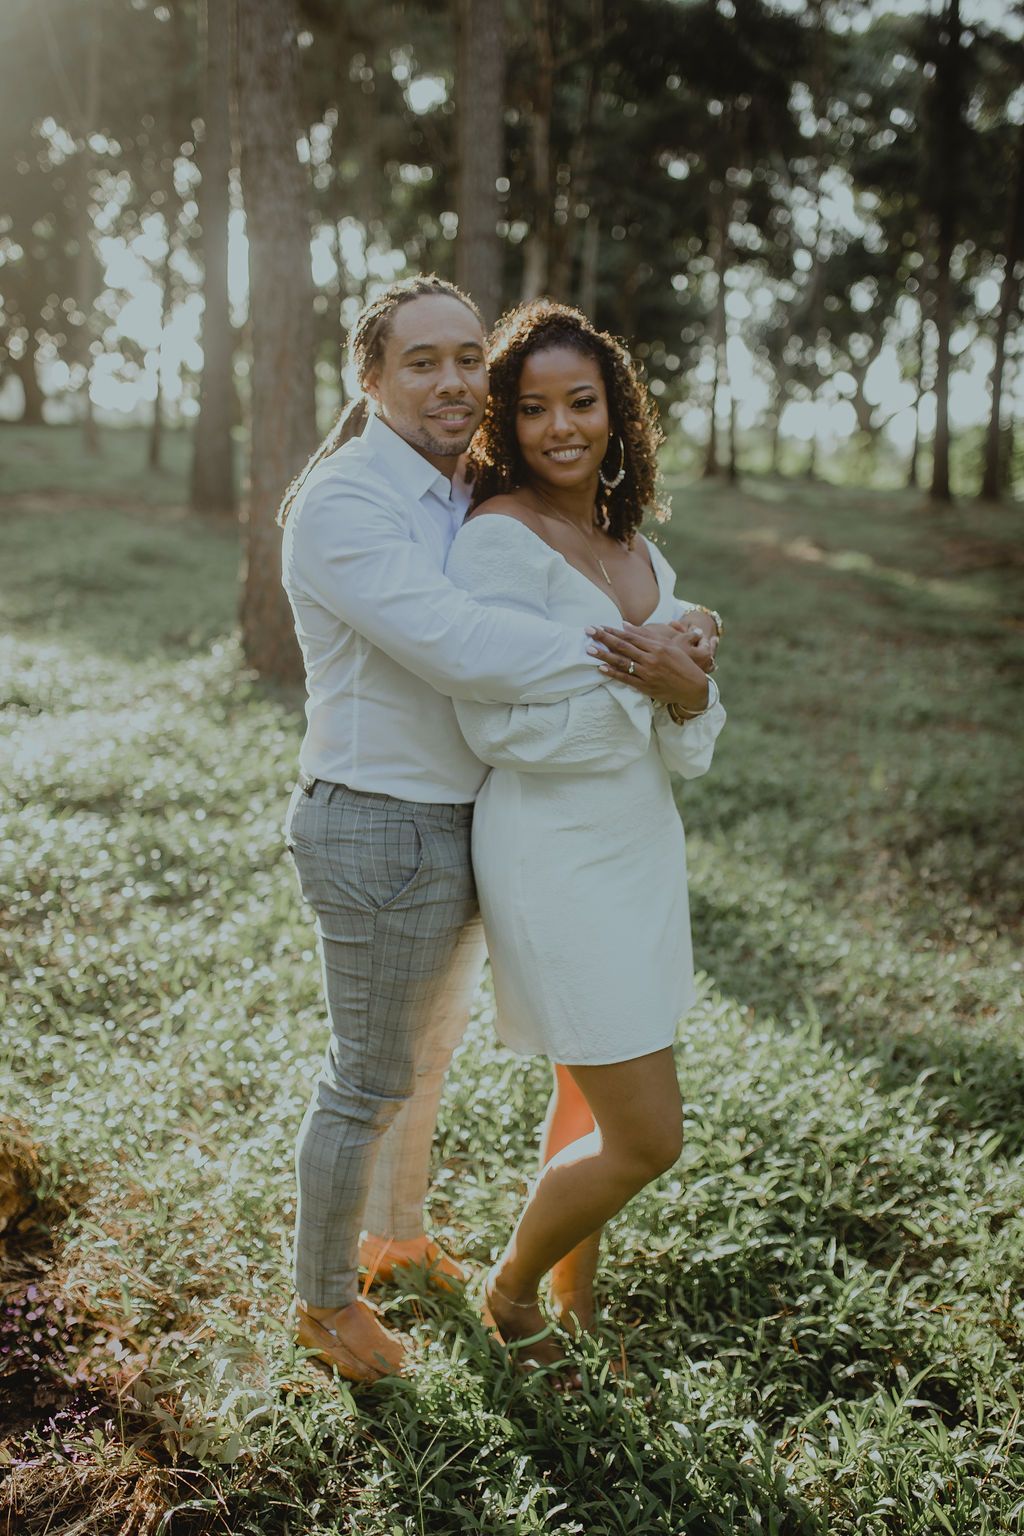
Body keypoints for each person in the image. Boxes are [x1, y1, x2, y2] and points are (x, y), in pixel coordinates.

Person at [278, 277, 709, 1384]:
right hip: (377, 817)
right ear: (367, 378)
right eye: (421, 361)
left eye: (468, 358)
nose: (453, 380)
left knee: (423, 1058)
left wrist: (669, 644)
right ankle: (323, 1304)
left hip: (463, 816)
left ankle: (399, 1236)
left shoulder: (451, 484)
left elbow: (573, 549)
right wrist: (643, 649)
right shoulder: (347, 504)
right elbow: (468, 652)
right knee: (368, 1075)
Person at [445, 299, 726, 1371]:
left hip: (638, 848)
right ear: (503, 425)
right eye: (533, 408)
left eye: (582, 401)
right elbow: (496, 726)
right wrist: (652, 679)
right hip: (553, 853)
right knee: (650, 1134)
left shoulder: (630, 543)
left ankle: (577, 1306)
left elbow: (683, 735)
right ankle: (509, 1296)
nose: (561, 427)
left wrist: (687, 687)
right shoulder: (498, 541)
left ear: (616, 410)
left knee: (587, 1093)